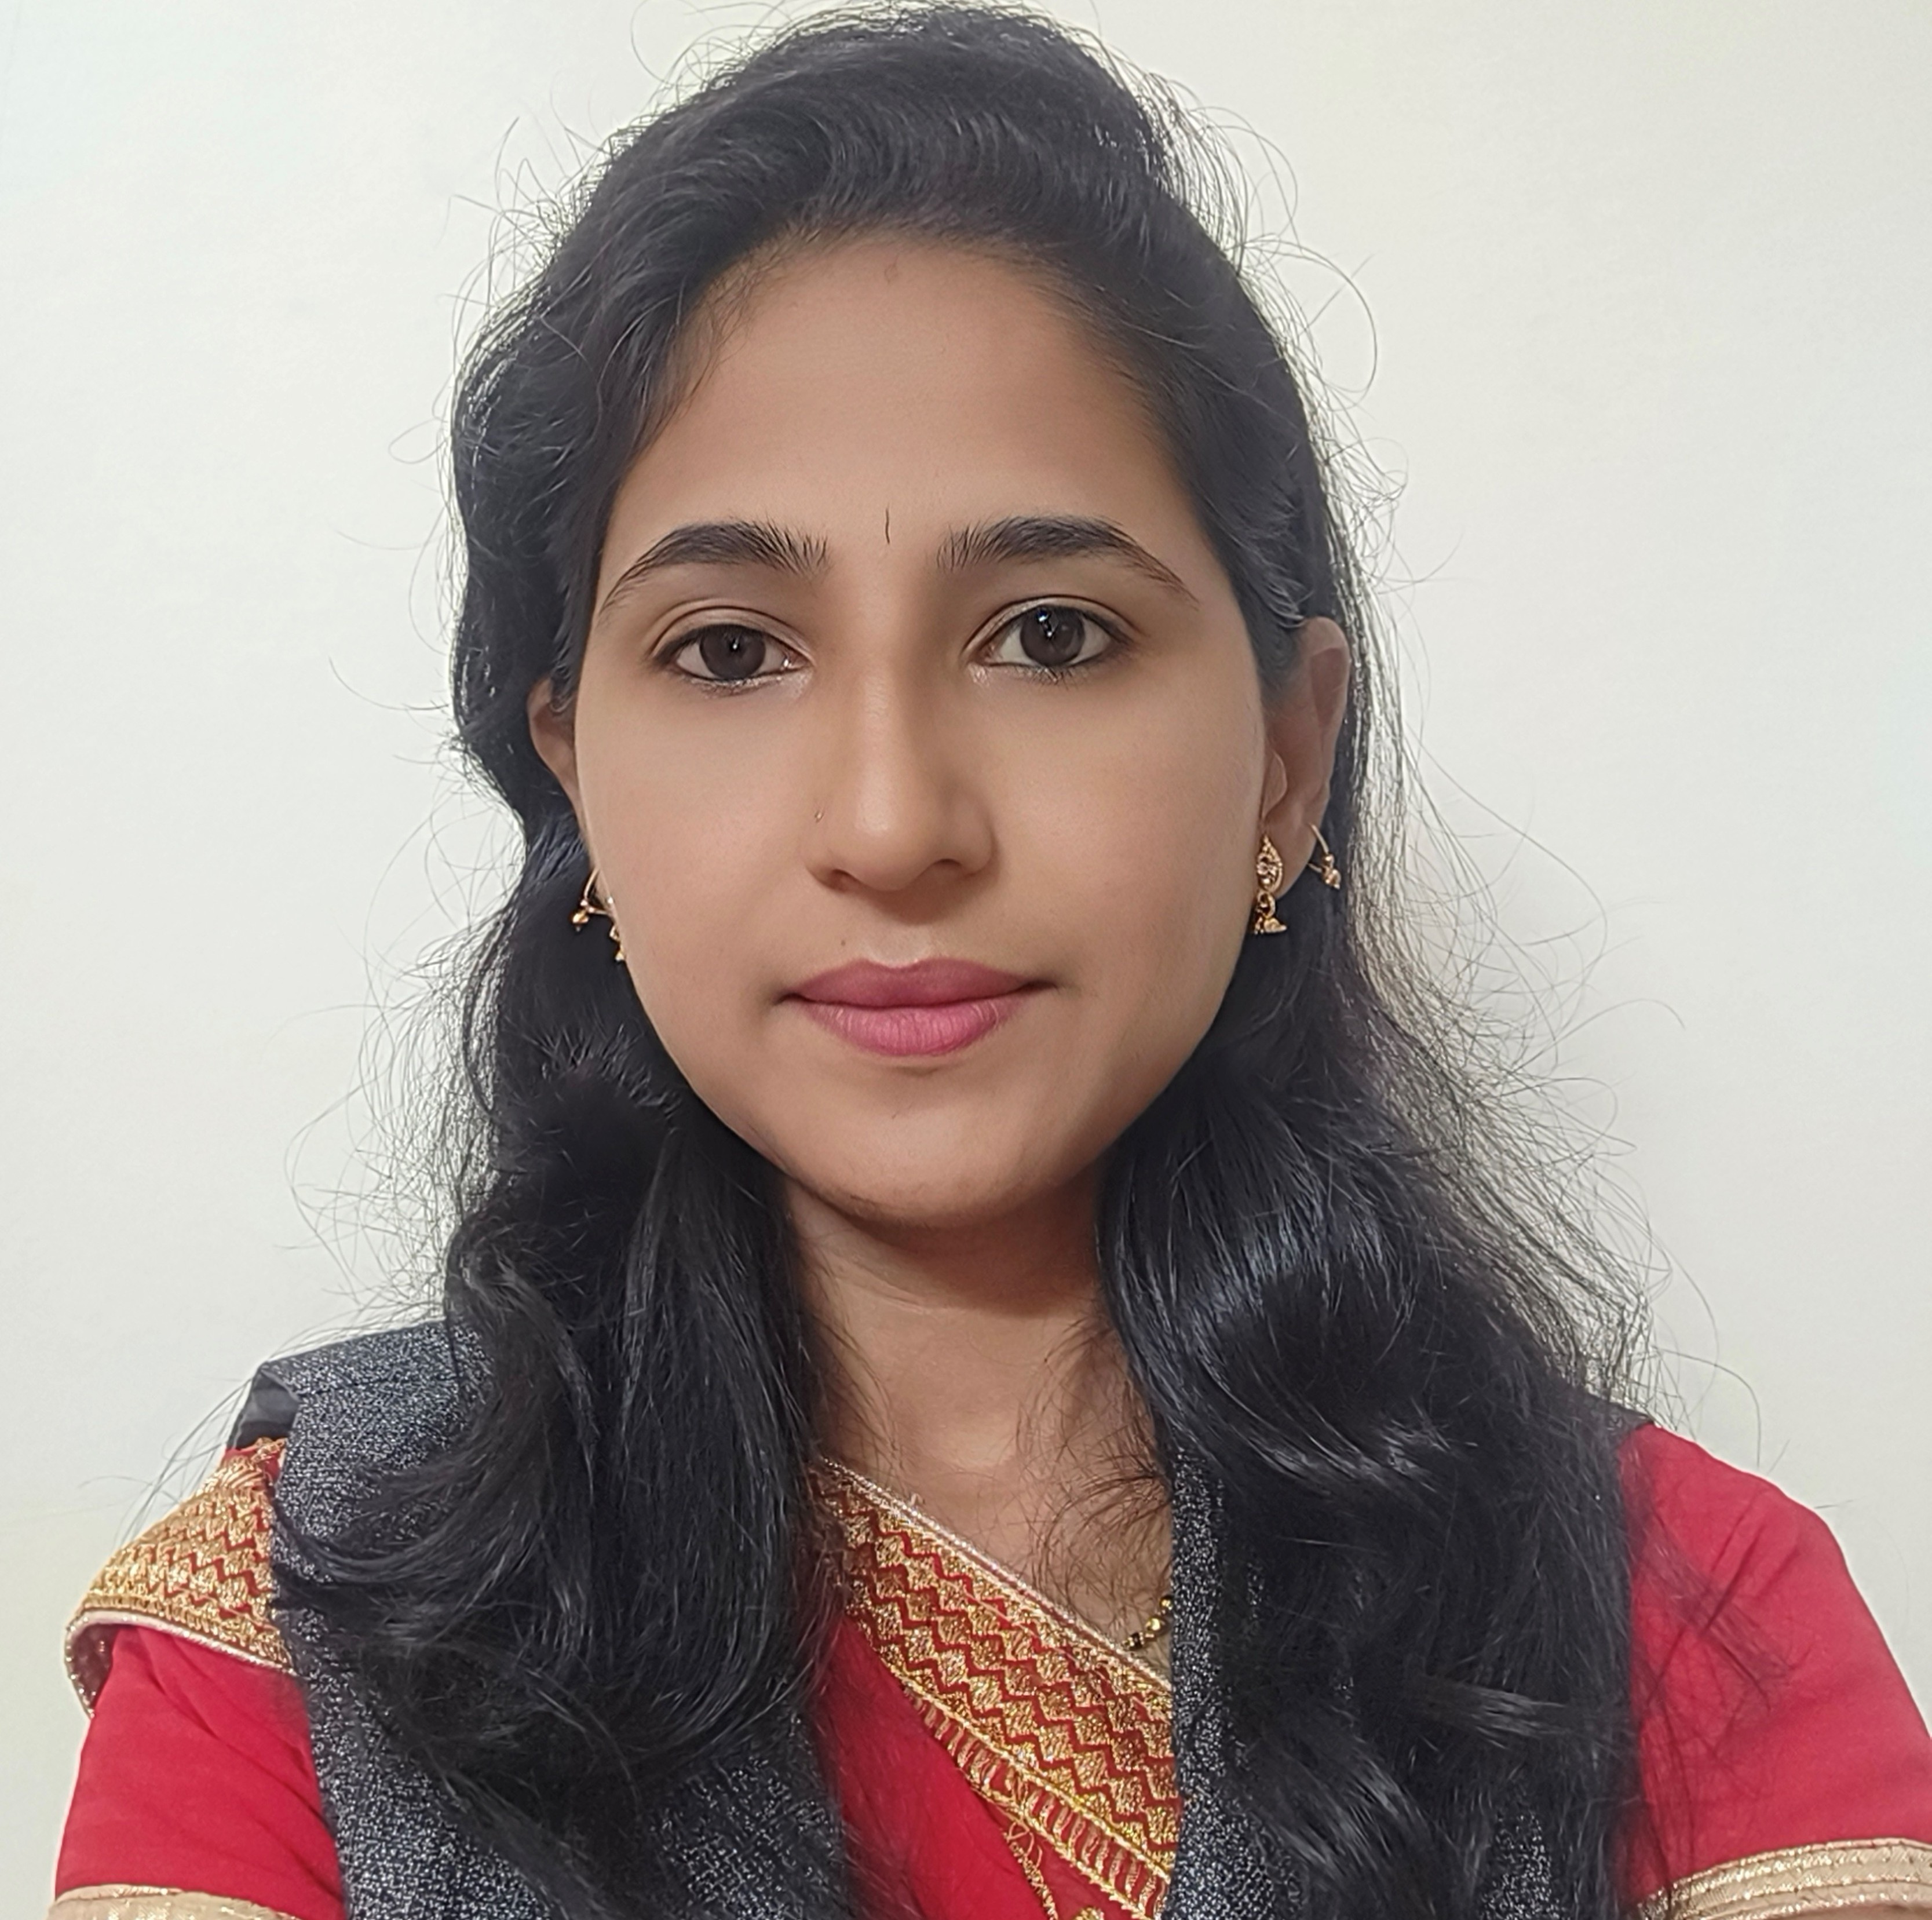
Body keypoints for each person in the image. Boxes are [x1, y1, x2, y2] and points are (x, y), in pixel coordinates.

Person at [48, 9, 1932, 1920]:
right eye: (728, 650)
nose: (892, 822)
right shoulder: (309, 1636)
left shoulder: (1679, 1622)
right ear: (578, 778)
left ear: (1287, 760)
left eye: (1050, 635)